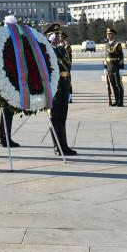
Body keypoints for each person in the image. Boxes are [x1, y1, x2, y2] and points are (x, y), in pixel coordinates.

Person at [46, 24, 77, 155]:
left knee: (62, 117)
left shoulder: (62, 50)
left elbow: (68, 69)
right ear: (49, 36)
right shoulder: (47, 50)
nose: (59, 37)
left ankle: (64, 145)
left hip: (64, 85)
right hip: (55, 87)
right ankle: (57, 146)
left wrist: (69, 89)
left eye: (59, 34)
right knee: (54, 117)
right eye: (55, 34)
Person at [104, 27, 125, 107]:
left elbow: (121, 57)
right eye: (107, 34)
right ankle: (116, 100)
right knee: (113, 85)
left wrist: (121, 68)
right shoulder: (106, 45)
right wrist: (105, 67)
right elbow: (106, 57)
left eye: (109, 34)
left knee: (118, 85)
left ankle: (121, 101)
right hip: (109, 68)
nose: (108, 35)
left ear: (113, 35)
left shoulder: (117, 45)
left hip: (116, 67)